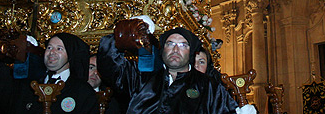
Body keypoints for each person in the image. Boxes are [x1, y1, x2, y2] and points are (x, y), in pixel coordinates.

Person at [97, 18, 256, 113]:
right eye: (170, 44)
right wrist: (126, 32)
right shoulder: (143, 76)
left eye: (182, 45)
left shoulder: (208, 86)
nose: (175, 49)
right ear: (162, 49)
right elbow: (109, 65)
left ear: (191, 53)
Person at [0, 31, 98, 114]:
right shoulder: (28, 86)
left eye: (59, 49)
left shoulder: (82, 91)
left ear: (70, 56)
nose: (52, 52)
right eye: (49, 48)